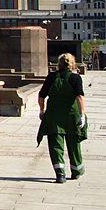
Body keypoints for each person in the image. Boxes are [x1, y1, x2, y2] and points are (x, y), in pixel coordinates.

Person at [38, 53, 87, 183]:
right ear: (72, 64)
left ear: (58, 64)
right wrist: (82, 115)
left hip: (54, 115)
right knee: (74, 143)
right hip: (72, 116)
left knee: (55, 144)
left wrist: (42, 110)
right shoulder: (76, 78)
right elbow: (79, 97)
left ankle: (60, 174)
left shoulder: (51, 77)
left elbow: (41, 96)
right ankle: (76, 170)